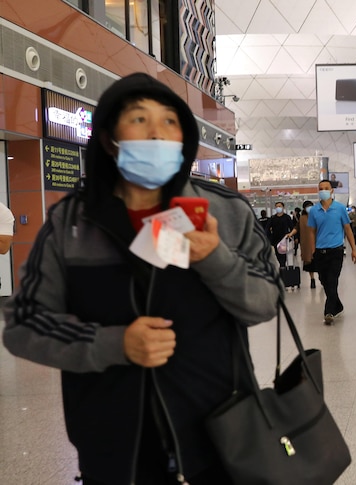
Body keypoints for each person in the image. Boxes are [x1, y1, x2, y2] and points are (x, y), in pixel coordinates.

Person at [2, 72, 281, 485]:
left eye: (169, 121)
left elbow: (265, 302)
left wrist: (216, 259)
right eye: (138, 119)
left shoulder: (227, 210)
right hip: (114, 447)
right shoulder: (72, 222)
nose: (156, 134)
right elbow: (24, 323)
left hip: (221, 438)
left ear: (183, 137)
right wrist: (113, 343)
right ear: (109, 138)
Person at [307, 179, 356, 325]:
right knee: (324, 281)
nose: (323, 190)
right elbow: (311, 232)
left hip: (336, 251)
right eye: (320, 188)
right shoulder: (314, 211)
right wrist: (312, 250)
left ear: (331, 191)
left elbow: (348, 229)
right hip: (320, 252)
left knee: (332, 280)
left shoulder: (340, 208)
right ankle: (338, 305)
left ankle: (328, 312)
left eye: (326, 188)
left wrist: (354, 249)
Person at [298, 200, 317, 288]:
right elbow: (297, 228)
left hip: (318, 243)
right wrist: (291, 234)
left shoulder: (317, 216)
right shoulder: (302, 219)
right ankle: (312, 279)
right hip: (307, 245)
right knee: (309, 263)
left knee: (320, 262)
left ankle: (321, 278)